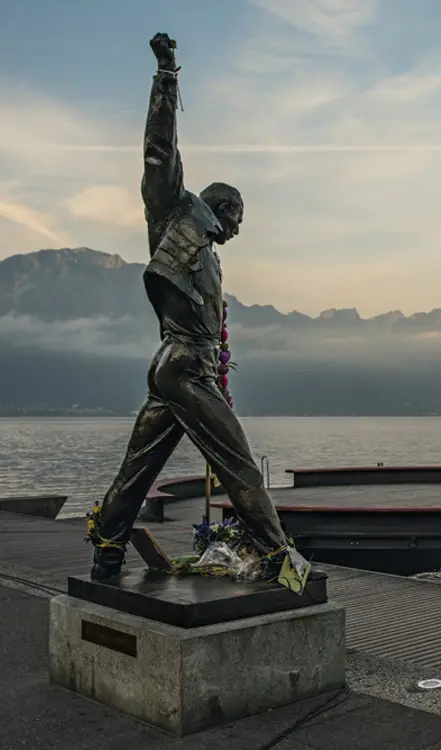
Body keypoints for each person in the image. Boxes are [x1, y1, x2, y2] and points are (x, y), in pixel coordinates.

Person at [88, 33, 291, 581]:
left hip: (174, 368)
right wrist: (168, 76)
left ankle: (108, 548)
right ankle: (278, 557)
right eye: (240, 215)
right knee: (238, 461)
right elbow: (160, 148)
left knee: (139, 468)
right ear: (221, 205)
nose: (241, 227)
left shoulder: (210, 257)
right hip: (183, 365)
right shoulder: (176, 213)